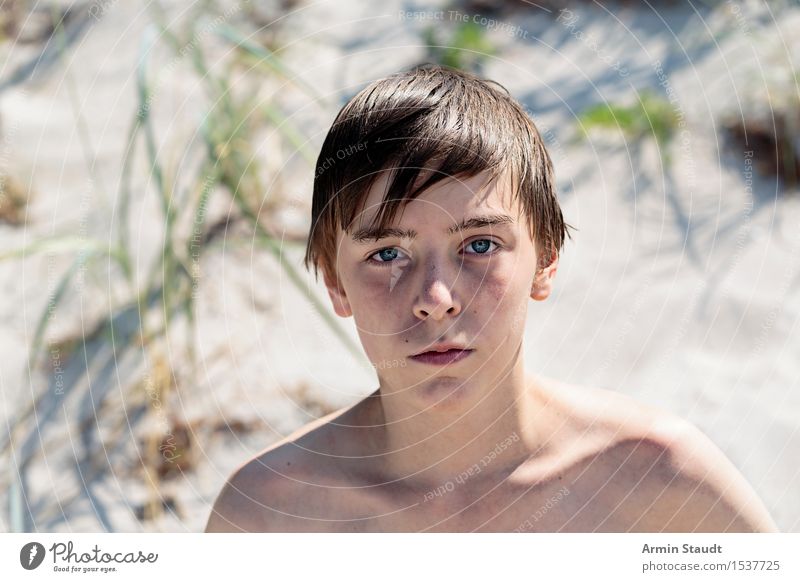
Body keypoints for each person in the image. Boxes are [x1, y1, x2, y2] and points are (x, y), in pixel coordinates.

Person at [205, 64, 778, 532]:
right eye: (386, 254)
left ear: (546, 260)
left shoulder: (662, 485)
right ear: (334, 282)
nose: (435, 298)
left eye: (479, 244)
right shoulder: (268, 517)